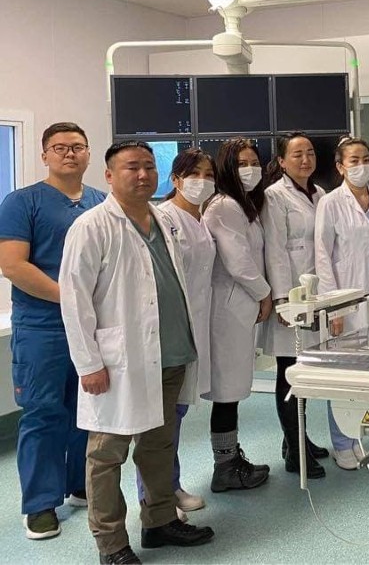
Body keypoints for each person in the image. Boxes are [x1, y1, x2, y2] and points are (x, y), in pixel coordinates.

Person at [60, 141, 214, 564]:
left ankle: (160, 521)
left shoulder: (162, 220)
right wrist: (89, 364)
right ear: (109, 175)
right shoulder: (91, 226)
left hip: (170, 354)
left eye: (149, 166)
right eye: (132, 167)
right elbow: (74, 301)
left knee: (158, 446)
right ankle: (111, 544)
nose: (143, 174)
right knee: (107, 454)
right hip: (118, 362)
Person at [0, 122, 105, 540]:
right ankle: (40, 504)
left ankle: (80, 484)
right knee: (44, 412)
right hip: (43, 327)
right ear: (44, 155)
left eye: (77, 146)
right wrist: (71, 300)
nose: (69, 153)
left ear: (88, 154)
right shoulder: (22, 202)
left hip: (92, 326)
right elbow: (13, 265)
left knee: (88, 408)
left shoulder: (100, 202)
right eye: (59, 147)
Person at [134, 148, 216, 523]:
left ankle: (170, 485)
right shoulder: (164, 217)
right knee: (159, 420)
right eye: (194, 174)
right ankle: (155, 496)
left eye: (209, 174)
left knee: (176, 413)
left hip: (192, 328)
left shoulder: (200, 218)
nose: (203, 181)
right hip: (168, 330)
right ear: (176, 179)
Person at [260, 132, 336, 478]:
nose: (305, 160)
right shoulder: (274, 196)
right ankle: (295, 451)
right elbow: (274, 250)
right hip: (290, 297)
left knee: (305, 370)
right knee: (289, 372)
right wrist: (281, 300)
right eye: (297, 154)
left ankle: (297, 439)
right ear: (281, 161)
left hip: (313, 294)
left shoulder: (319, 193)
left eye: (309, 153)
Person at [314, 136, 369, 466]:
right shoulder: (331, 203)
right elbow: (322, 255)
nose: (362, 165)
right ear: (340, 167)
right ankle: (342, 442)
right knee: (343, 373)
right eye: (354, 160)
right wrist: (333, 306)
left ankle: (359, 434)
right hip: (346, 302)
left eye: (366, 158)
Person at [202, 138, 271, 492]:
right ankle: (225, 466)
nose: (250, 169)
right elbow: (239, 262)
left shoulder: (242, 204)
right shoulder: (224, 206)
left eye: (254, 162)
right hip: (229, 309)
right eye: (242, 163)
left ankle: (229, 461)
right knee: (226, 391)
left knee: (231, 389)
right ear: (227, 168)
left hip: (238, 307)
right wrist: (265, 294)